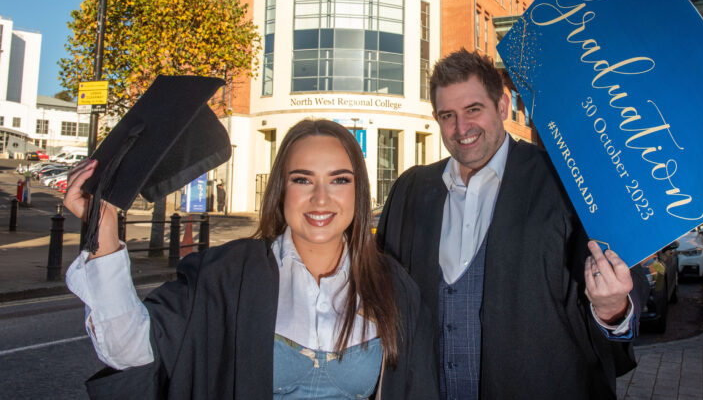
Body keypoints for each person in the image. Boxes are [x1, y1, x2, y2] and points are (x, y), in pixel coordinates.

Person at [65, 119, 437, 399]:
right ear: (280, 190)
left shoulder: (392, 287)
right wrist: (104, 227)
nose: (321, 199)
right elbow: (127, 347)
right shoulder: (224, 276)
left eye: (339, 180)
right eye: (303, 180)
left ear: (359, 191)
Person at [377, 49, 641, 399]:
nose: (461, 129)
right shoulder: (410, 191)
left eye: (473, 110)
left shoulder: (566, 184)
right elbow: (379, 294)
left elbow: (619, 281)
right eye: (447, 116)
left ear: (502, 107)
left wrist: (612, 310)